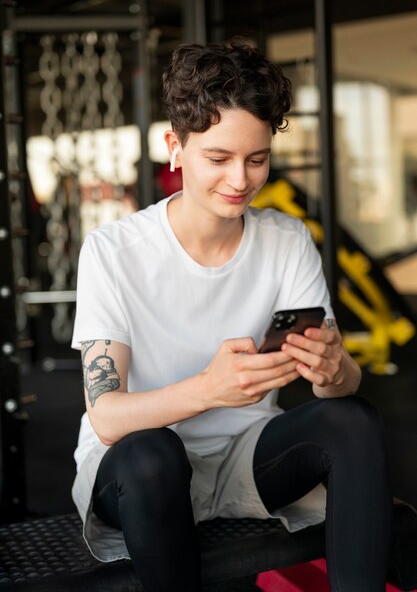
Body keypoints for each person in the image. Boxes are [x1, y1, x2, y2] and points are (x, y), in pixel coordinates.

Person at [71, 41, 393, 592]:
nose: (240, 180)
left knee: (352, 418)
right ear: (176, 148)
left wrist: (332, 370)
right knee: (153, 451)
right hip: (140, 472)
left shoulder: (287, 239)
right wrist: (209, 389)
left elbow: (340, 389)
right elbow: (107, 416)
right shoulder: (113, 250)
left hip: (246, 457)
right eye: (218, 159)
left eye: (257, 159)